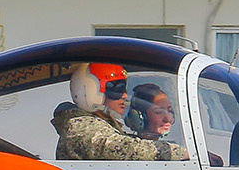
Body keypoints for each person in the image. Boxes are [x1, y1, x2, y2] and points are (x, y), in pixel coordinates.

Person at [53, 63, 186, 162]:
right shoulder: (80, 126)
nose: (124, 96)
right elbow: (122, 149)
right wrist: (181, 153)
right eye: (117, 89)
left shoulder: (101, 127)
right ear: (90, 91)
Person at [127, 83, 189, 160]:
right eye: (159, 112)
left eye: (169, 111)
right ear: (140, 117)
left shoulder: (173, 148)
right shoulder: (129, 150)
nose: (168, 118)